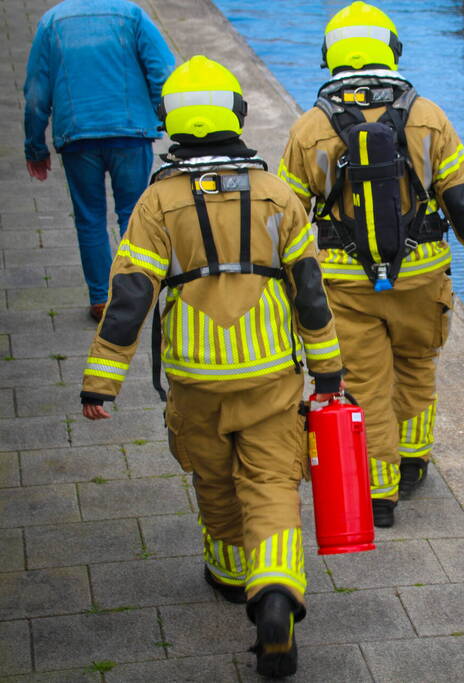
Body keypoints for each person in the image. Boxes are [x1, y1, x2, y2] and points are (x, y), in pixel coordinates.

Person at [80, 56, 343, 678]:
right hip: (272, 374)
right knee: (273, 483)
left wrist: (101, 381)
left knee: (215, 478)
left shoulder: (157, 202)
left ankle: (229, 576)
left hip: (195, 378)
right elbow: (310, 292)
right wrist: (328, 371)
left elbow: (129, 299)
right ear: (236, 113)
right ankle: (274, 594)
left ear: (172, 121)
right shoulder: (277, 194)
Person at [279, 1, 464, 528]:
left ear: (330, 56)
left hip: (345, 281)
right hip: (422, 274)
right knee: (418, 366)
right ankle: (414, 460)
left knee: (364, 382)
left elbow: (287, 219)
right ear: (391, 50)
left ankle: (379, 493)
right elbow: (463, 203)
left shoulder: (311, 127)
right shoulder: (428, 116)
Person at [23, 0, 175, 321]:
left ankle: (101, 299)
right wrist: (164, 120)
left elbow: (36, 94)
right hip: (130, 132)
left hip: (77, 136)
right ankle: (137, 294)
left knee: (89, 218)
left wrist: (35, 147)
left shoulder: (52, 22)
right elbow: (162, 69)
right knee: (133, 215)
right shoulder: (131, 15)